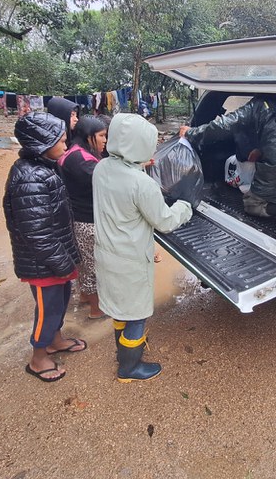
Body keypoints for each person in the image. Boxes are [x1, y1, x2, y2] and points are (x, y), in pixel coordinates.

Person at [93, 113, 192, 382]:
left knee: (119, 307)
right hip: (131, 260)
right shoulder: (142, 184)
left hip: (106, 253)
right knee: (136, 315)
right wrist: (185, 206)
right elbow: (165, 221)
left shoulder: (102, 168)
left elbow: (124, 190)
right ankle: (129, 368)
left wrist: (139, 165)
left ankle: (121, 352)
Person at [3, 113, 85, 382]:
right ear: (40, 144)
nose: (65, 145)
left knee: (60, 302)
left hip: (55, 256)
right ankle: (38, 358)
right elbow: (35, 231)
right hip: (43, 262)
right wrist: (61, 261)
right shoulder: (30, 178)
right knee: (47, 308)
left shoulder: (45, 168)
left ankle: (55, 340)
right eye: (60, 141)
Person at [179, 96, 276, 234]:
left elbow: (223, 126)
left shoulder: (259, 105)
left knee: (251, 203)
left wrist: (191, 133)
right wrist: (261, 150)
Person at [57, 116, 108, 319]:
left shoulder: (76, 153)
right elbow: (105, 181)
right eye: (102, 136)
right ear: (89, 137)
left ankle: (86, 297)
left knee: (84, 262)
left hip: (78, 217)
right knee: (93, 265)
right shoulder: (81, 160)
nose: (105, 140)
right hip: (87, 220)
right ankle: (97, 310)